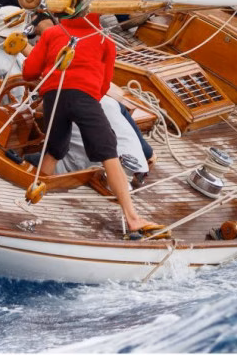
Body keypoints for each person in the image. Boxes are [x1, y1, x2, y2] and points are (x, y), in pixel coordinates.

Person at [22, 13, 163, 238]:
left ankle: (30, 200)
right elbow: (104, 84)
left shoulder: (52, 33)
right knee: (108, 152)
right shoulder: (104, 39)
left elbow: (29, 71)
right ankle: (133, 219)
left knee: (55, 149)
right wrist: (87, 101)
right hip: (85, 98)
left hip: (53, 97)